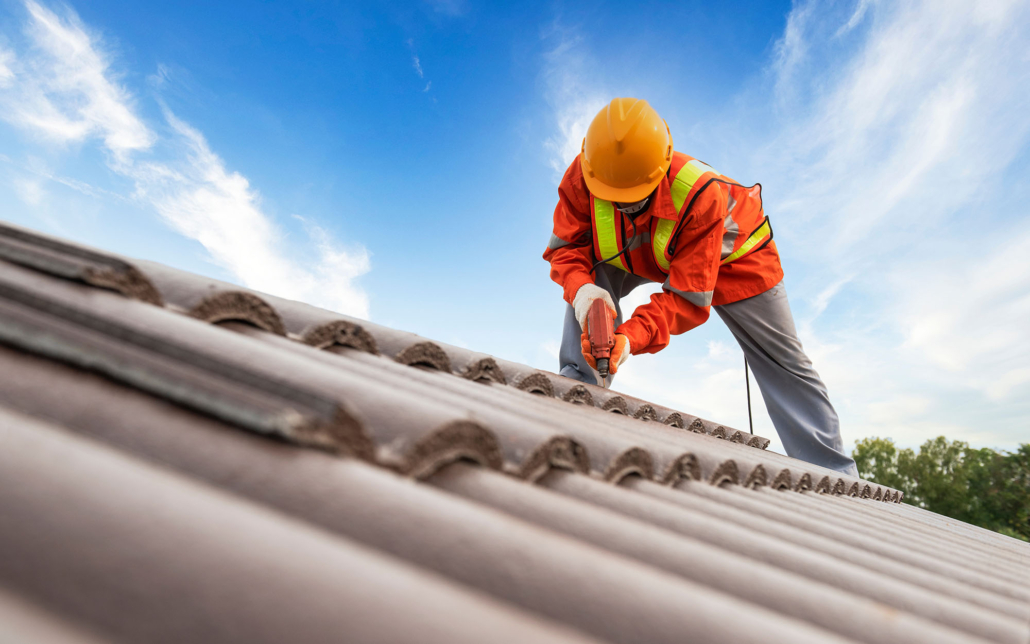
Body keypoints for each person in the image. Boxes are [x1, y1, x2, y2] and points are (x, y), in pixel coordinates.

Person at [543, 97, 857, 476]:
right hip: (642, 250)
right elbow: (568, 250)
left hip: (735, 258)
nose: (624, 206)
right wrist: (584, 295)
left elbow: (686, 297)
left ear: (660, 170)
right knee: (590, 281)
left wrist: (630, 338)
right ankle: (579, 394)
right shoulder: (584, 175)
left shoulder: (699, 194)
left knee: (783, 363)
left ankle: (835, 475)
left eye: (634, 198)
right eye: (615, 198)